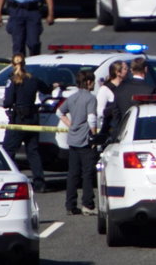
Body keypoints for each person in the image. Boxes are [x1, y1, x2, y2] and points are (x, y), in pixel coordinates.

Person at [2, 53, 53, 193]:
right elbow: (47, 89)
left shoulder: (12, 81)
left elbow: (7, 102)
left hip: (18, 120)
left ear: (13, 65)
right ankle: (39, 183)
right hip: (32, 118)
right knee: (33, 152)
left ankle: (10, 180)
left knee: (9, 151)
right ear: (24, 64)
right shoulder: (33, 79)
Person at [57, 70, 98, 216]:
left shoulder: (72, 97)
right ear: (88, 82)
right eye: (92, 81)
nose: (93, 84)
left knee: (73, 173)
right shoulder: (91, 98)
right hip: (85, 140)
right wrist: (94, 134)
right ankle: (88, 204)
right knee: (87, 173)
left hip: (73, 139)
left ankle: (70, 204)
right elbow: (91, 118)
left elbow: (59, 112)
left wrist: (71, 124)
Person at [111, 57, 156, 121]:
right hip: (140, 128)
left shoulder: (120, 88)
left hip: (123, 127)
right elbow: (152, 114)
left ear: (131, 70)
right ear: (146, 69)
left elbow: (116, 113)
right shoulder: (150, 90)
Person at [95, 60, 127, 143]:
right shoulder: (105, 89)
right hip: (111, 129)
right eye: (125, 69)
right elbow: (100, 112)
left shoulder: (126, 86)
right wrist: (115, 107)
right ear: (117, 72)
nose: (128, 71)